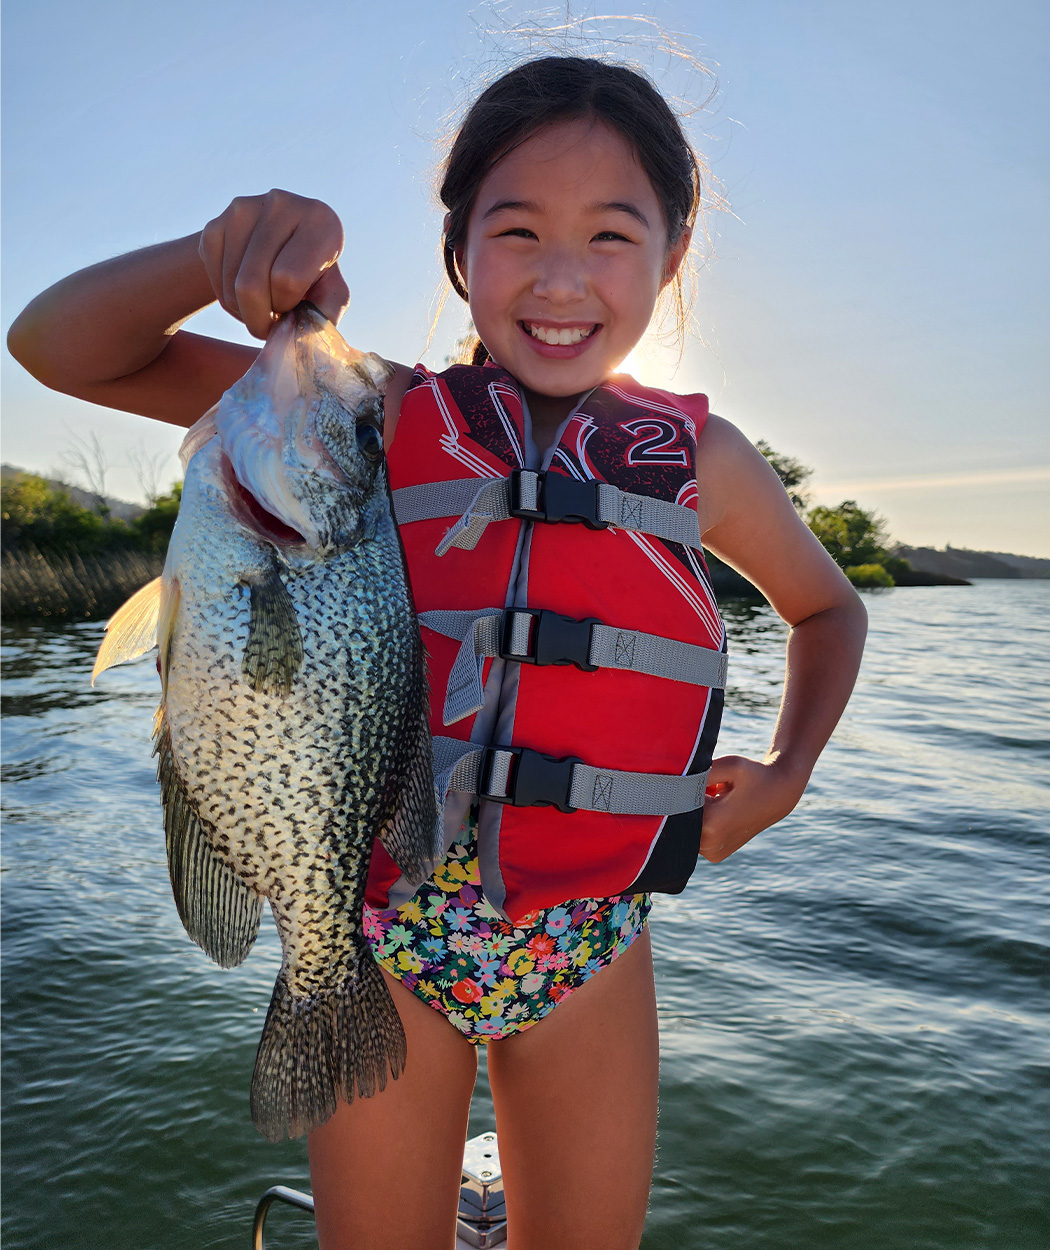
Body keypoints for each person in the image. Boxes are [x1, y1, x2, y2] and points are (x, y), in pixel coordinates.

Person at [8, 54, 866, 1250]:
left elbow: (833, 611)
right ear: (459, 252)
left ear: (673, 258)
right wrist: (215, 257)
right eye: (517, 231)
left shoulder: (704, 460)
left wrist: (789, 768)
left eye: (613, 236)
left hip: (592, 942)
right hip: (382, 933)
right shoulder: (367, 416)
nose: (562, 276)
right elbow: (57, 346)